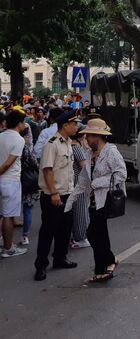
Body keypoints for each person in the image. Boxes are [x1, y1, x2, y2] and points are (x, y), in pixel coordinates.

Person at [64, 119, 126, 282]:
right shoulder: (88, 153)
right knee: (101, 233)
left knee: (92, 233)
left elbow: (121, 174)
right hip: (93, 200)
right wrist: (72, 199)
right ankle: (102, 269)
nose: (86, 139)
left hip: (106, 198)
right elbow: (84, 179)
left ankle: (111, 260)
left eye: (88, 136)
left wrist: (97, 183)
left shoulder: (111, 152)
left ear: (97, 136)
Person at [34, 110, 80, 281]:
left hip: (67, 193)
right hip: (53, 195)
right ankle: (41, 265)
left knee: (65, 230)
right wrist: (54, 193)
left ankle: (60, 258)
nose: (76, 126)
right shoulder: (51, 143)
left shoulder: (68, 142)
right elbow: (47, 169)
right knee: (48, 231)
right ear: (65, 125)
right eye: (74, 124)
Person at [0, 110, 28, 258]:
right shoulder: (18, 139)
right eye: (23, 122)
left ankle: (5, 244)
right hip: (10, 181)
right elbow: (8, 164)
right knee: (8, 216)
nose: (24, 125)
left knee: (3, 215)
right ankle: (8, 248)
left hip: (5, 180)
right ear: (18, 124)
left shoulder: (1, 136)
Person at [70, 125, 91, 249]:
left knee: (78, 209)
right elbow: (84, 167)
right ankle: (81, 237)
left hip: (75, 181)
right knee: (81, 210)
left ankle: (78, 237)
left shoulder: (72, 145)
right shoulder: (76, 147)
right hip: (79, 181)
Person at [20, 124, 40, 246]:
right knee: (27, 209)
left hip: (13, 180)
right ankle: (25, 236)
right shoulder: (26, 148)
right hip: (28, 181)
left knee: (7, 213)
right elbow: (35, 164)